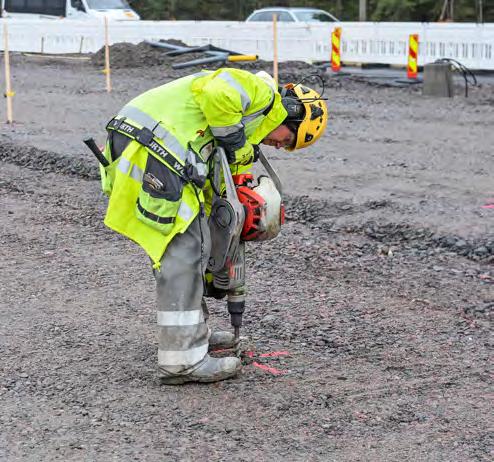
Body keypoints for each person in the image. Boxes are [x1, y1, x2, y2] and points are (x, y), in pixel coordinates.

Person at [99, 68, 328, 384]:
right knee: (181, 251)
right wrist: (233, 138)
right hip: (155, 147)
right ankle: (182, 362)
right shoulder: (262, 95)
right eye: (287, 140)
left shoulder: (243, 130)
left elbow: (216, 196)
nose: (278, 146)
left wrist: (221, 253)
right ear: (288, 116)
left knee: (194, 244)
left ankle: (194, 336)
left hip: (152, 146)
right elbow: (217, 91)